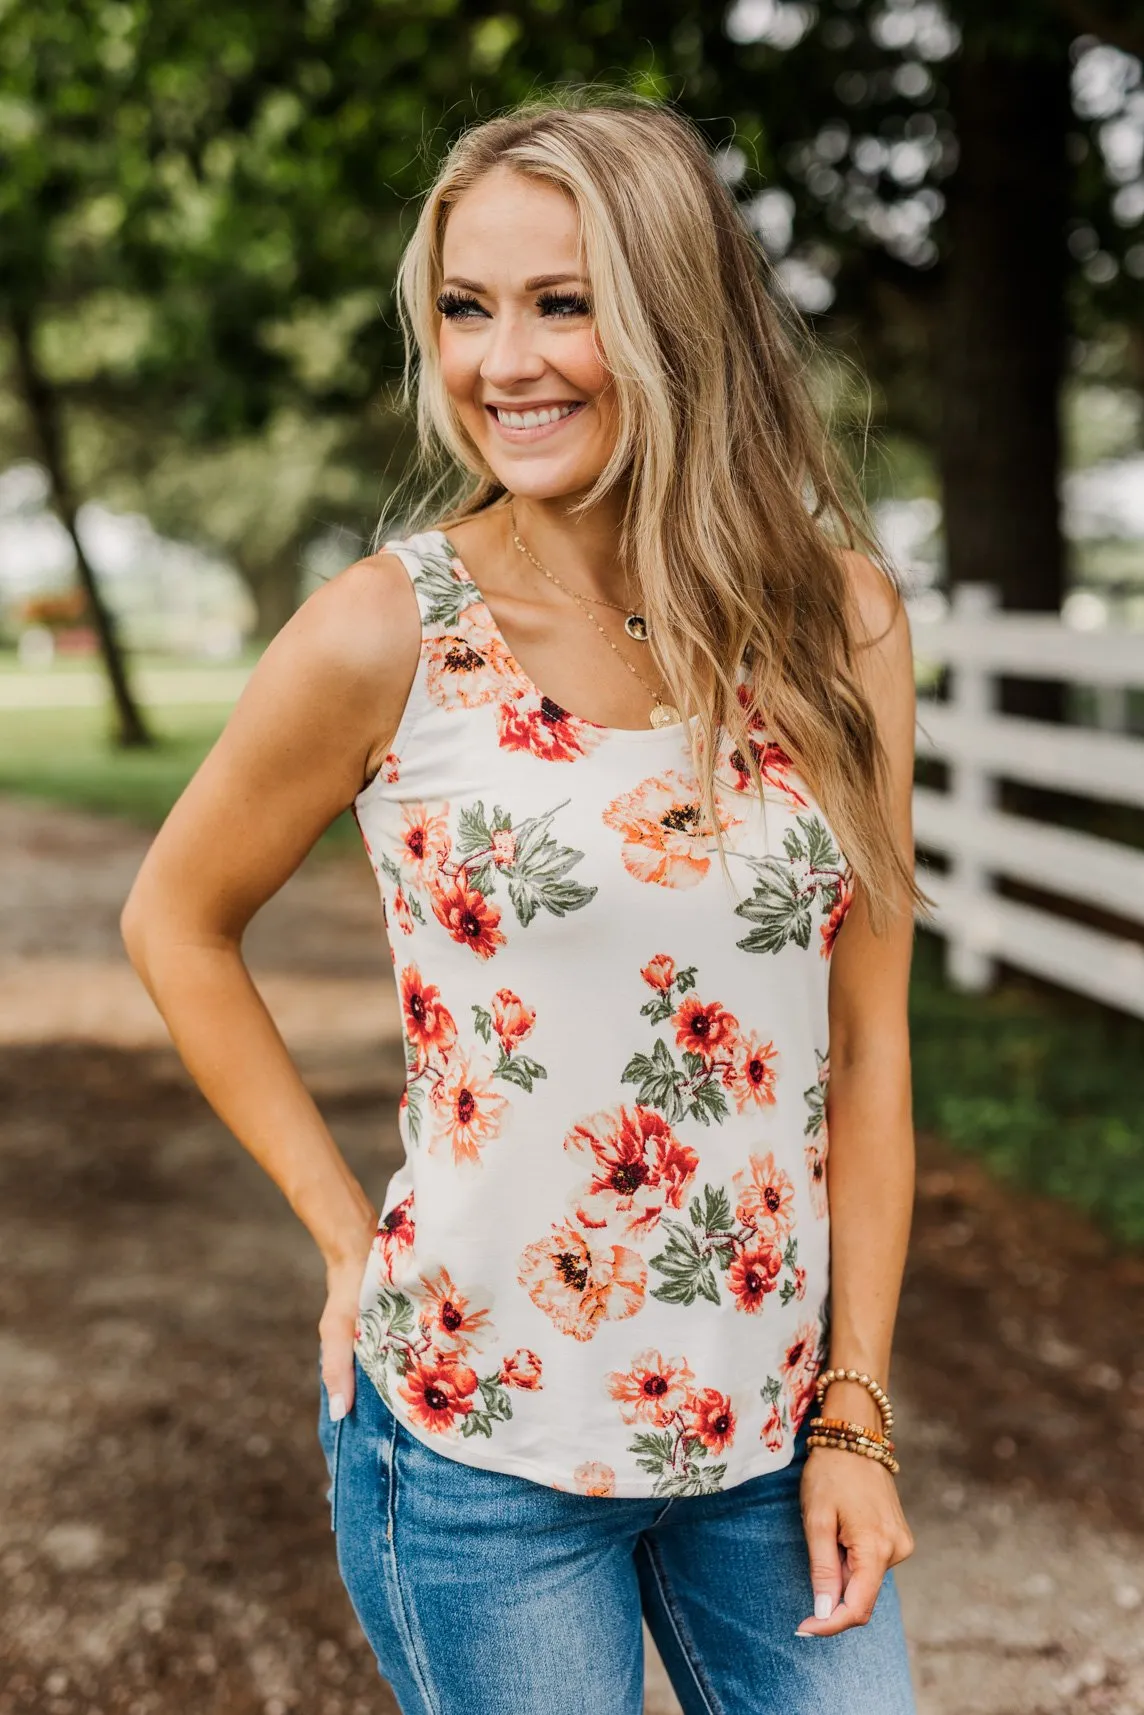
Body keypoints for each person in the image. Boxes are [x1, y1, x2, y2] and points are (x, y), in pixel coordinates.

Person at [122, 89, 919, 1715]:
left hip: (769, 1440)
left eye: (565, 303)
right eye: (466, 310)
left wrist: (857, 1408)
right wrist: (349, 1234)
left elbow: (872, 1043)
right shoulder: (385, 629)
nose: (506, 362)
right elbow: (174, 918)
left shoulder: (841, 619)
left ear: (673, 317)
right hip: (480, 1440)